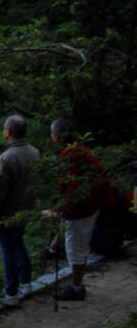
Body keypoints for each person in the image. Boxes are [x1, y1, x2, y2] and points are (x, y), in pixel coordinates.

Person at [49, 119, 109, 300]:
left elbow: (72, 188)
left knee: (74, 246)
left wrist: (61, 207)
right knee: (79, 245)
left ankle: (75, 287)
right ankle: (77, 283)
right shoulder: (82, 151)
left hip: (81, 209)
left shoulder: (70, 155)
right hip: (91, 204)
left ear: (58, 136)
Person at [0, 115, 40, 306]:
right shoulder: (34, 152)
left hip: (7, 211)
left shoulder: (7, 157)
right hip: (26, 207)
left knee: (7, 250)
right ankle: (26, 282)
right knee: (19, 244)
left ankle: (11, 292)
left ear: (8, 133)